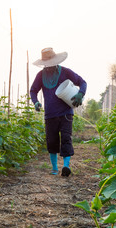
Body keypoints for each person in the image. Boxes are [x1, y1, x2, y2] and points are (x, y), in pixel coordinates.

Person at [30, 47, 87, 177]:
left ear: (56, 61)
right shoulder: (40, 76)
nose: (49, 67)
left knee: (66, 138)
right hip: (50, 114)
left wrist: (80, 94)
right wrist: (36, 102)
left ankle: (66, 167)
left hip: (66, 112)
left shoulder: (66, 72)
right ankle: (55, 168)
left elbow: (82, 82)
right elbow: (33, 90)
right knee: (52, 141)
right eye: (46, 65)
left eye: (51, 64)